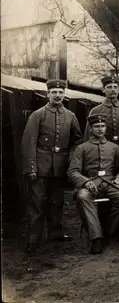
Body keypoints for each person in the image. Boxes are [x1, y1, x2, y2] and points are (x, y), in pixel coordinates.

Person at [21, 79, 83, 253]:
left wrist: (71, 158)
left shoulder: (70, 116)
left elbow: (77, 141)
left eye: (61, 92)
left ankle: (55, 233)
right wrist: (31, 168)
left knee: (57, 202)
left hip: (60, 167)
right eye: (54, 92)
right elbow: (29, 142)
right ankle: (34, 239)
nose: (57, 95)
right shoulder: (38, 115)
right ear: (48, 94)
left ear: (64, 94)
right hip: (41, 167)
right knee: (38, 203)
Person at [68, 114, 119, 254]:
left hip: (111, 183)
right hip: (91, 183)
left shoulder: (114, 147)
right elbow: (73, 171)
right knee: (83, 197)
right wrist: (85, 181)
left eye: (103, 126)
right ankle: (96, 238)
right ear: (91, 129)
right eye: (97, 126)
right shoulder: (82, 148)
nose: (100, 129)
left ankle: (108, 231)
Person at [84, 75, 119, 147]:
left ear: (118, 90)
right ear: (103, 90)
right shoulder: (95, 110)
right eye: (109, 87)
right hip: (102, 149)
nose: (113, 90)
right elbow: (88, 136)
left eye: (115, 87)